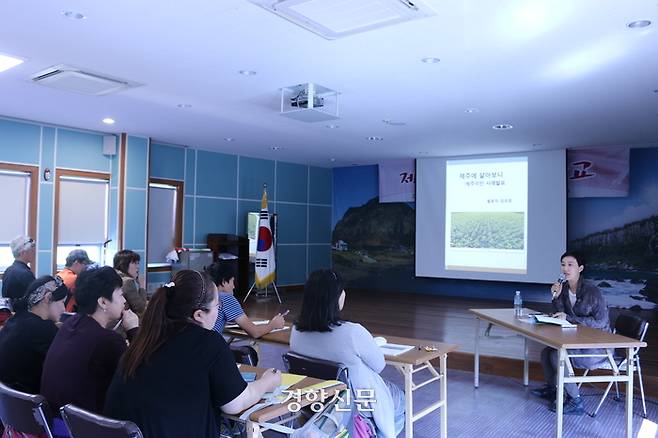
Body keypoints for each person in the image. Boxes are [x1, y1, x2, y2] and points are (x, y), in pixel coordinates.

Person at [104, 270, 280, 438]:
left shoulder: (145, 338)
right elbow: (236, 403)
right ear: (199, 315)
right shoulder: (208, 343)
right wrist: (267, 382)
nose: (219, 311)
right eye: (217, 306)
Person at [290, 269, 404, 438]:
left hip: (314, 399)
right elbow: (379, 366)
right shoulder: (352, 332)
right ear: (335, 298)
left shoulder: (296, 331)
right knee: (401, 397)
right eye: (341, 290)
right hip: (354, 403)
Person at [41, 266, 139, 415]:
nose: (124, 300)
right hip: (84, 426)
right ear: (103, 302)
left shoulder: (70, 324)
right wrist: (133, 330)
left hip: (57, 422)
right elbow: (140, 378)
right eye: (120, 295)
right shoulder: (108, 341)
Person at [531, 251, 611, 415]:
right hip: (577, 340)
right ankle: (555, 391)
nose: (565, 268)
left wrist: (571, 318)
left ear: (580, 268)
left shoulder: (591, 291)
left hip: (597, 346)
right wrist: (556, 297)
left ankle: (576, 401)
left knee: (556, 355)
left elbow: (601, 322)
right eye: (563, 264)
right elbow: (560, 315)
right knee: (547, 352)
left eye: (570, 265)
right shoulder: (564, 288)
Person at [0, 276, 67, 393]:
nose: (64, 309)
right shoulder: (44, 329)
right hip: (29, 402)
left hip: (8, 403)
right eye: (62, 302)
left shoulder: (15, 320)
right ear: (47, 298)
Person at [206, 260, 285, 336]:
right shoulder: (225, 298)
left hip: (197, 346)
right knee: (247, 350)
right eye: (232, 281)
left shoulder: (203, 295)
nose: (233, 287)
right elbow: (255, 332)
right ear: (224, 282)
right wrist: (273, 324)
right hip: (209, 347)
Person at [2, 235, 36, 312]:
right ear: (23, 252)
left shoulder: (9, 270)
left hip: (10, 315)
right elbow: (36, 297)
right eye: (32, 250)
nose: (34, 252)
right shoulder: (25, 274)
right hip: (23, 316)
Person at [113, 250, 147, 317]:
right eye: (135, 263)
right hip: (124, 324)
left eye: (138, 263)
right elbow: (140, 308)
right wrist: (142, 286)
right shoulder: (127, 282)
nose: (138, 267)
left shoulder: (114, 276)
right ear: (123, 264)